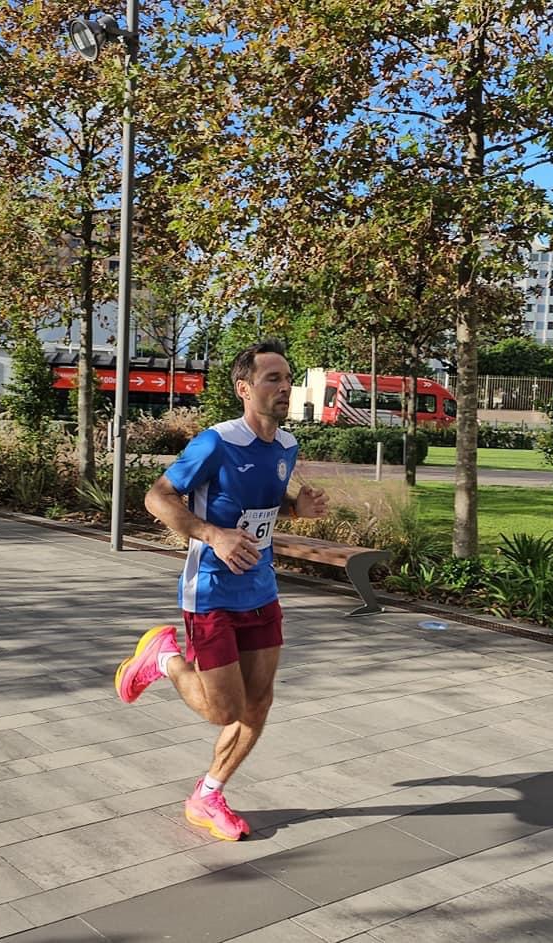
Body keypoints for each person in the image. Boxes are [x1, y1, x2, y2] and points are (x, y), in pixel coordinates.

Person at [114, 339, 328, 841]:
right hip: (210, 590)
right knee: (224, 710)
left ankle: (208, 794)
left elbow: (261, 504)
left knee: (259, 703)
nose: (284, 387)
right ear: (244, 388)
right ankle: (164, 658)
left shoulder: (286, 446)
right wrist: (213, 534)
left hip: (261, 588)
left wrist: (296, 508)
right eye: (272, 378)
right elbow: (157, 497)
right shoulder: (216, 442)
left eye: (287, 378)